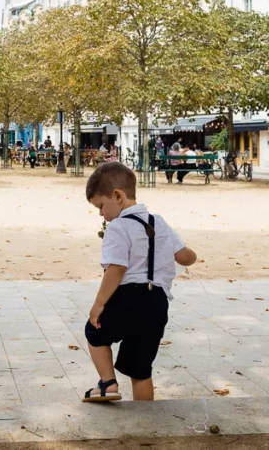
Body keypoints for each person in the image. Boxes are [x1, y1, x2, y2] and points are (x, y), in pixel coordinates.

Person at [81, 162, 197, 403]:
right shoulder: (159, 222)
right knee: (140, 369)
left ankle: (108, 383)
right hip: (156, 303)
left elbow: (117, 268)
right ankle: (146, 418)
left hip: (128, 297)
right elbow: (187, 257)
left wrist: (99, 303)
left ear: (118, 196)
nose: (101, 214)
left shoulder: (118, 227)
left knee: (95, 332)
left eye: (101, 206)